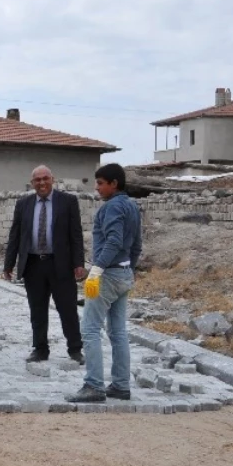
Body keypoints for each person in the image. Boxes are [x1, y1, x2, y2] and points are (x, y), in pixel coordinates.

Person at [67, 163, 142, 403]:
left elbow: (114, 240)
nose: (97, 188)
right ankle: (121, 385)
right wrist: (131, 267)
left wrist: (97, 269)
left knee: (90, 329)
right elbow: (136, 244)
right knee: (118, 331)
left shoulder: (111, 208)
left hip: (107, 274)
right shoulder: (132, 207)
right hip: (124, 273)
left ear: (114, 184)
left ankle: (94, 386)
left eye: (100, 183)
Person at [3, 165, 86, 364]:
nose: (41, 183)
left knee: (67, 308)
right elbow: (15, 235)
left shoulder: (68, 202)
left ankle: (75, 349)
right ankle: (40, 349)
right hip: (33, 264)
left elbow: (76, 234)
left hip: (61, 264)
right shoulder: (23, 204)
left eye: (45, 178)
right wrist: (8, 263)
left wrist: (78, 263)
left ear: (52, 179)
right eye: (37, 180)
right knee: (37, 310)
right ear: (32, 183)